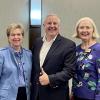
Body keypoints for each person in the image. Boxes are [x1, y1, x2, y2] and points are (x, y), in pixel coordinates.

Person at [30, 14, 76, 100]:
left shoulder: (68, 45)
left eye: (55, 23)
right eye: (49, 23)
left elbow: (69, 71)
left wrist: (50, 79)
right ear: (44, 25)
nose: (52, 26)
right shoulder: (37, 42)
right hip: (36, 94)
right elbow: (34, 67)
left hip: (56, 95)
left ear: (59, 26)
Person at [0, 23, 32, 100]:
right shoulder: (2, 54)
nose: (16, 37)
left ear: (22, 36)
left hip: (26, 94)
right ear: (8, 37)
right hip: (7, 96)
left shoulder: (29, 54)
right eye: (13, 35)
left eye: (18, 34)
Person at [72, 17, 100, 100]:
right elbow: (75, 74)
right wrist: (72, 92)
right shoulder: (76, 50)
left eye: (88, 27)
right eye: (81, 27)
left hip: (93, 97)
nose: (84, 30)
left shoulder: (98, 49)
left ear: (93, 31)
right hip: (76, 95)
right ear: (77, 31)